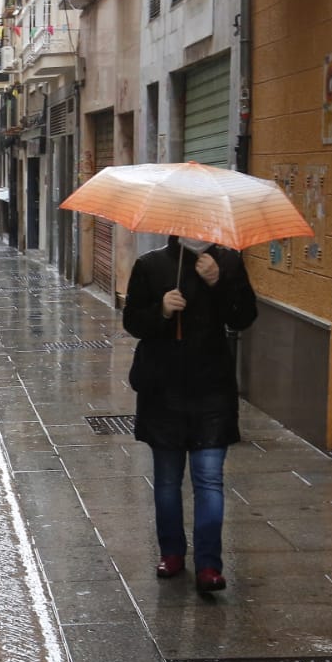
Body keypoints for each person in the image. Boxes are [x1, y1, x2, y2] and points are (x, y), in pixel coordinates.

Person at [121, 235, 258, 592]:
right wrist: (162, 311)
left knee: (209, 479)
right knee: (167, 481)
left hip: (211, 391)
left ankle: (210, 565)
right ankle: (172, 553)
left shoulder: (227, 262)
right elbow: (133, 322)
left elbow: (244, 316)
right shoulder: (151, 265)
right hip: (163, 392)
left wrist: (219, 282)